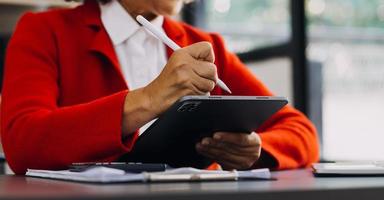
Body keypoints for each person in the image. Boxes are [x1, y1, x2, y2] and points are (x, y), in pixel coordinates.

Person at [1, 0, 319, 175]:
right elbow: (22, 142)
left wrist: (256, 148)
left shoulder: (207, 46)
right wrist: (149, 99)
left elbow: (301, 131)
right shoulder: (45, 31)